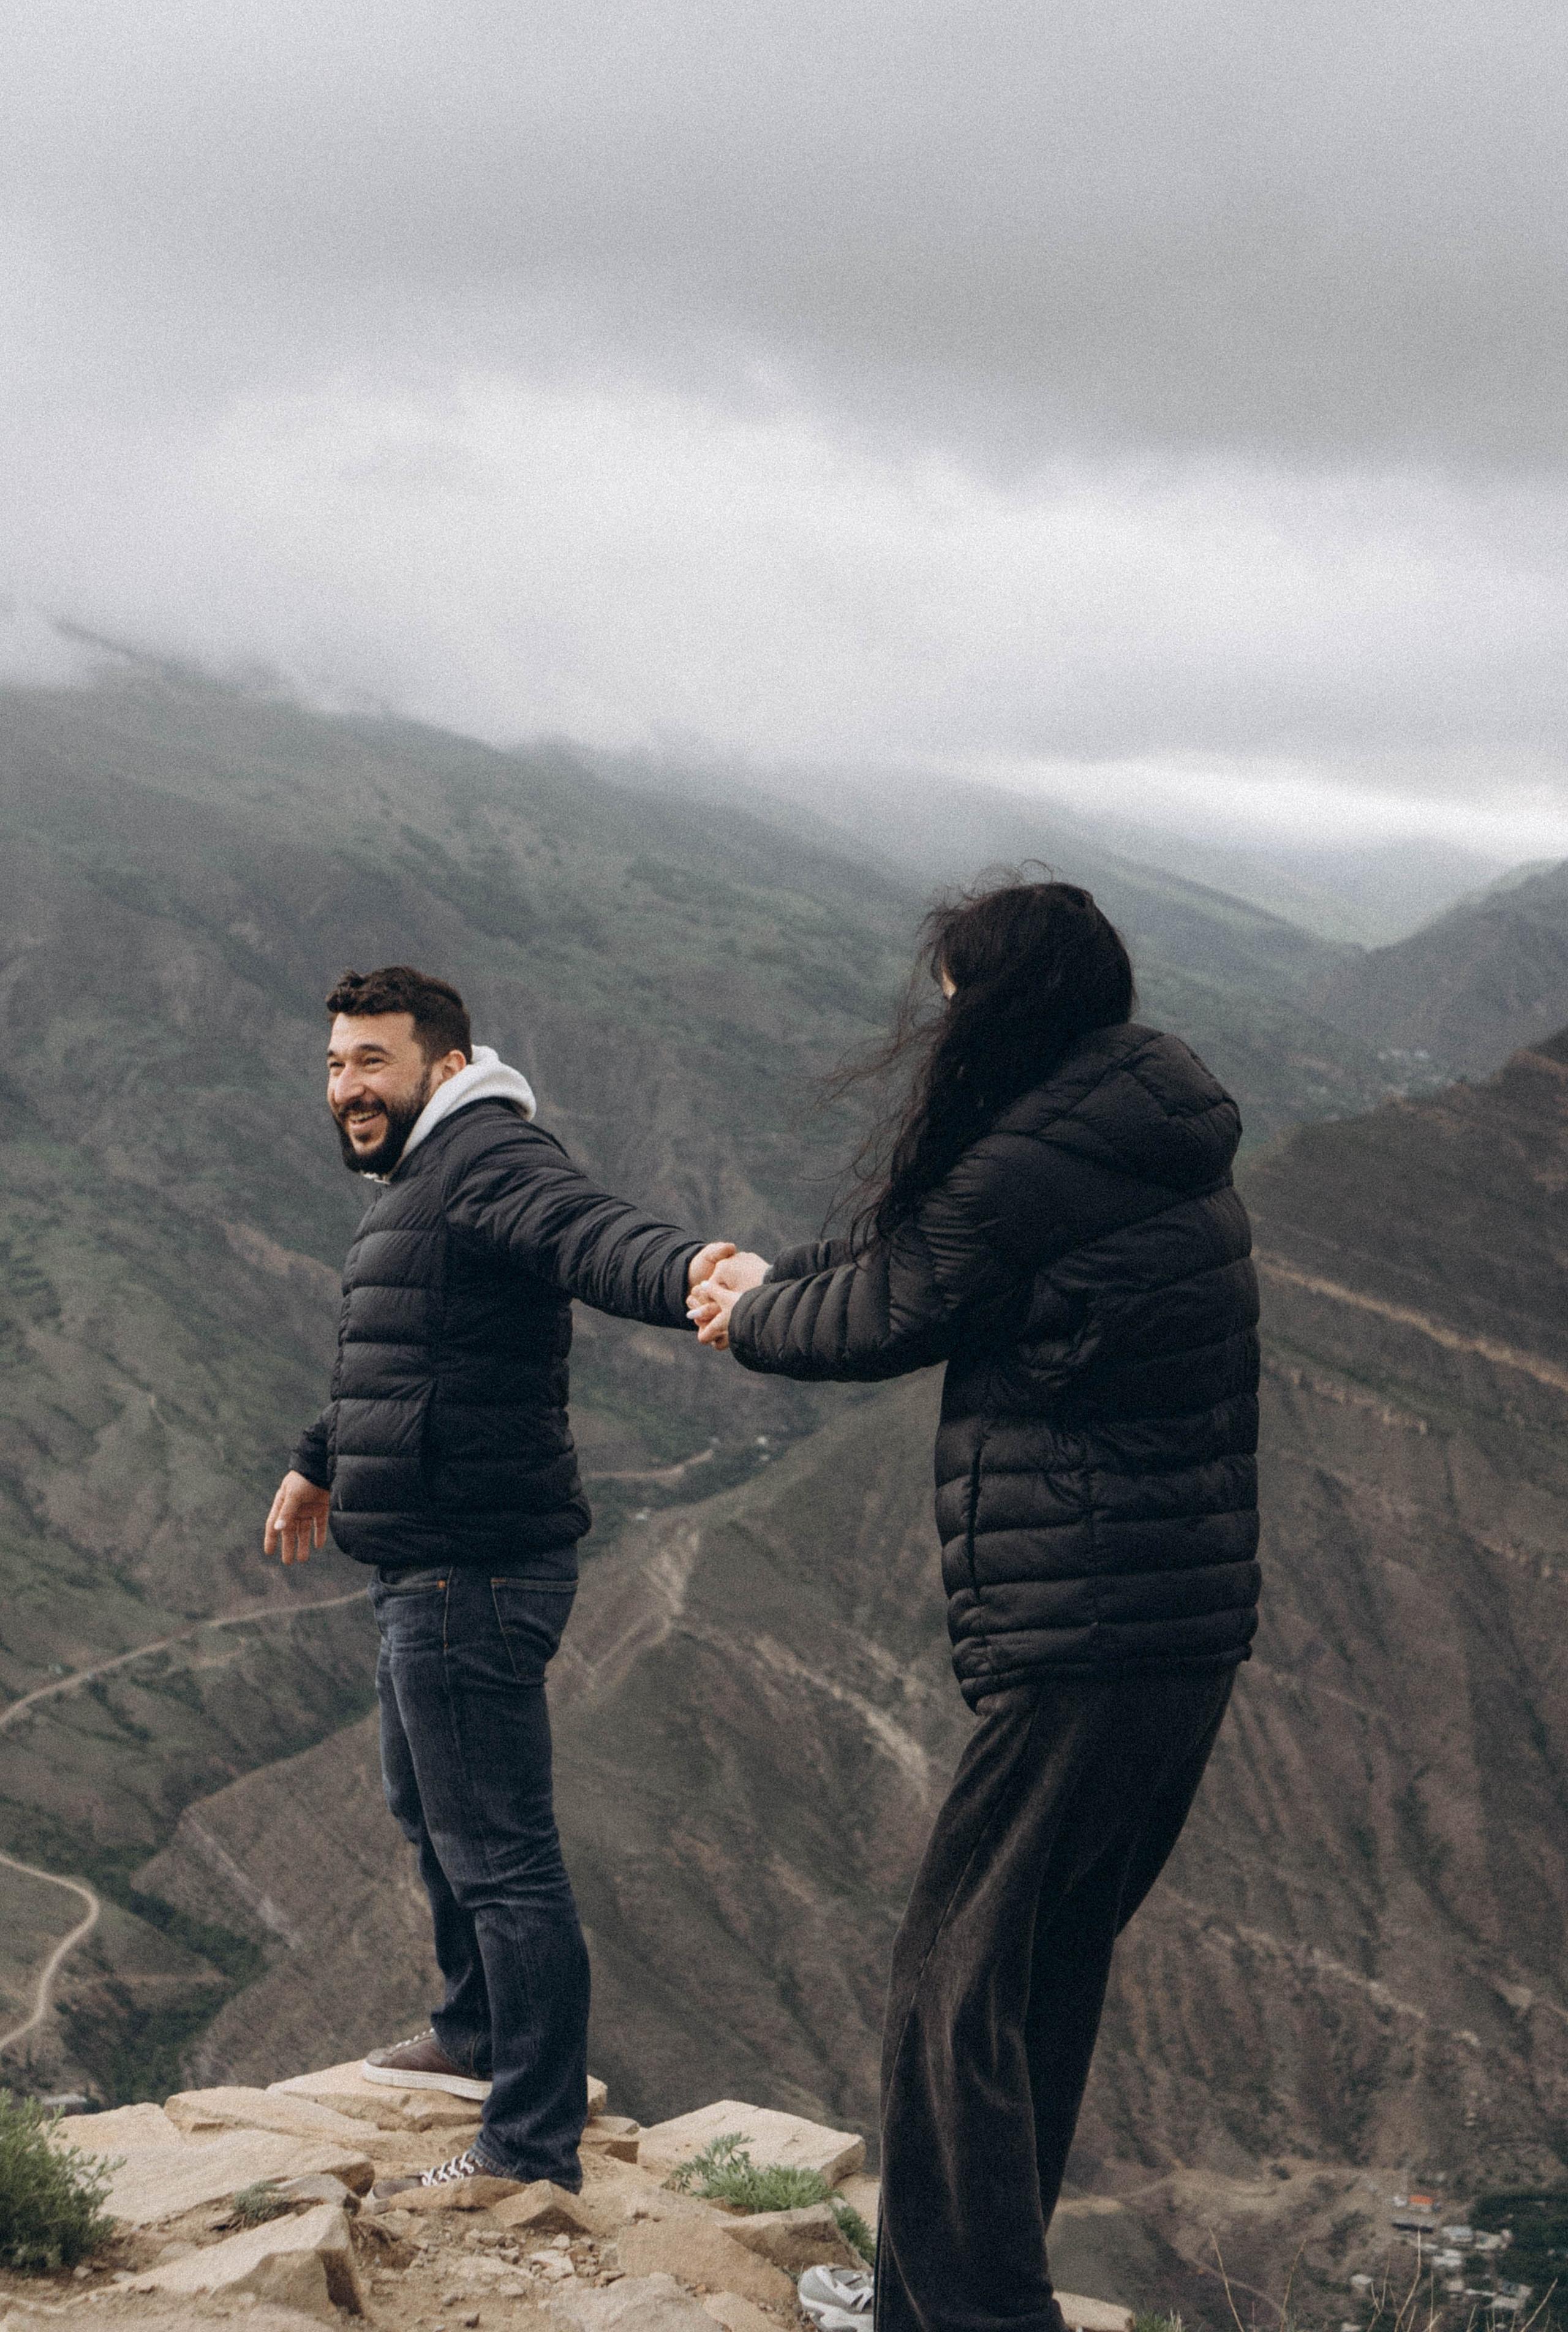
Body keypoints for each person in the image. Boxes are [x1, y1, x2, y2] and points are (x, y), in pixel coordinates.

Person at [687, 879, 1261, 2332]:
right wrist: (774, 1276)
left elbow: (889, 1313)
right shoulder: (1136, 1125)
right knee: (1035, 1971)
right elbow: (929, 1261)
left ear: (996, 1005)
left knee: (948, 1984)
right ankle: (935, 2296)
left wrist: (749, 1314)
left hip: (1083, 1634)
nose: (939, 1027)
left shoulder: (1030, 1159)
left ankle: (965, 2317)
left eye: (951, 998)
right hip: (1176, 1635)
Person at [264, 964, 735, 2197]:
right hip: (423, 1559)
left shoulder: (485, 1157)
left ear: (445, 1064)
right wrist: (319, 1462)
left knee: (501, 1856)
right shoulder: (424, 1177)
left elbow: (591, 1235)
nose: (347, 1086)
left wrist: (693, 1271)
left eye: (372, 1061)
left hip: (470, 1571)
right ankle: (474, 2035)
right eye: (333, 1064)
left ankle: (525, 2150)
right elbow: (399, 1342)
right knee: (427, 1813)